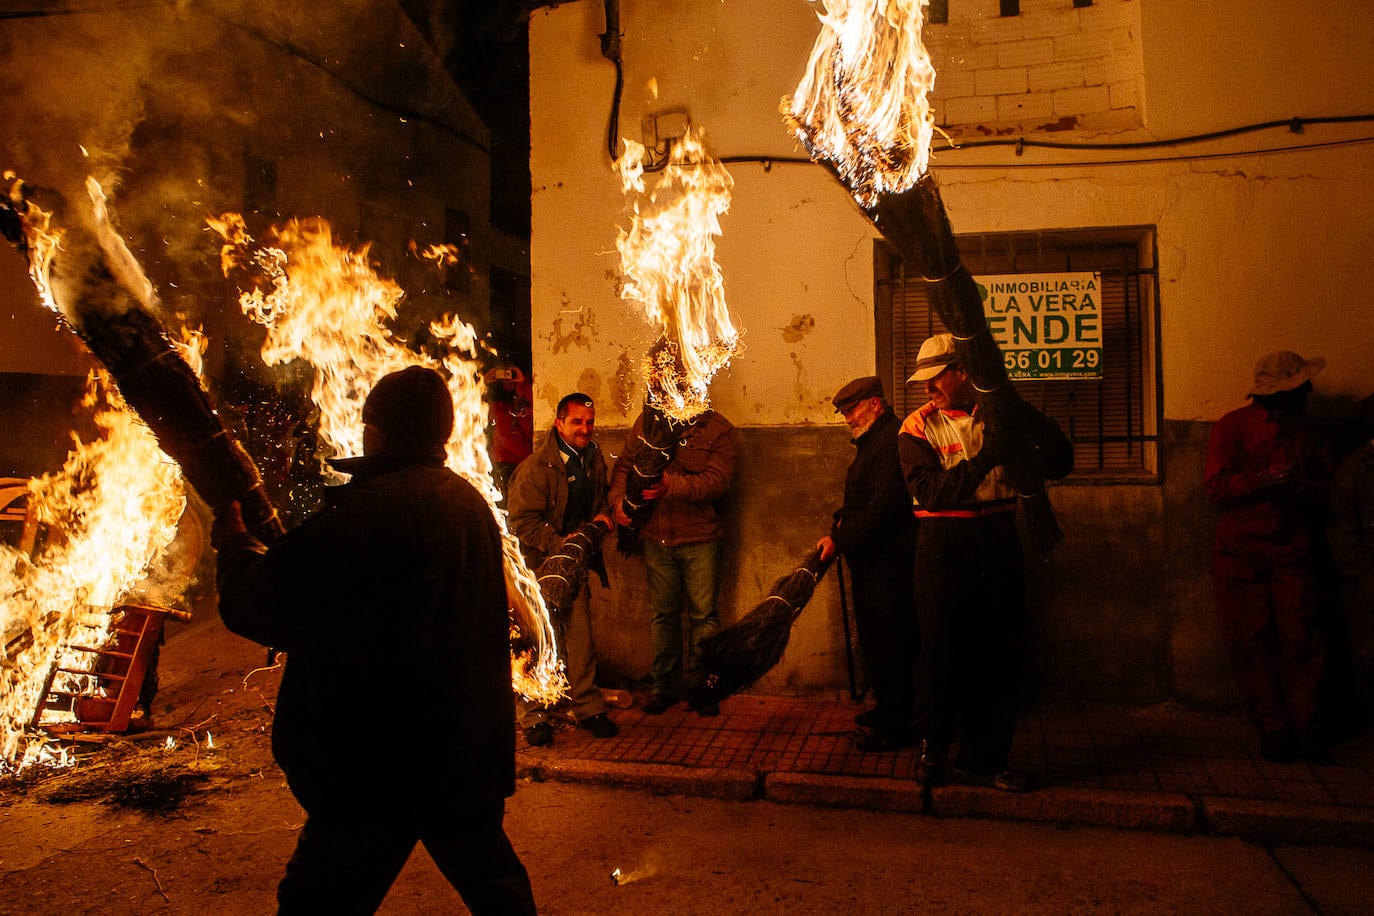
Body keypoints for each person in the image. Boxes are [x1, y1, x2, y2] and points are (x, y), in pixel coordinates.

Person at [212, 366, 537, 914]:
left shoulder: (366, 512)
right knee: (495, 888)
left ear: (378, 434)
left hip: (378, 761)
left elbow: (263, 605)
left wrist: (236, 547)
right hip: (459, 749)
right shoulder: (468, 504)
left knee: (317, 901)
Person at [898, 333, 1072, 793]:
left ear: (963, 372)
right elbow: (933, 494)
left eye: (936, 379)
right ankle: (932, 750)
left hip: (997, 541)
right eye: (925, 381)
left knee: (998, 653)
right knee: (939, 650)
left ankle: (986, 759)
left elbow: (1060, 462)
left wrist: (1027, 417)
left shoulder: (999, 417)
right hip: (942, 547)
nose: (927, 389)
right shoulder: (916, 428)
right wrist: (988, 456)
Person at [1205, 350, 1334, 764]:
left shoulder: (1309, 431)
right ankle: (1272, 725)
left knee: (1302, 638)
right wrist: (1261, 481)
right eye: (1299, 389)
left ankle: (1307, 727)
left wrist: (1303, 486)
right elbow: (1216, 488)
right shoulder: (1232, 427)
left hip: (1292, 547)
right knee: (1252, 640)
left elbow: (1325, 486)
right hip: (1241, 551)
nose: (1306, 395)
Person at [610, 407, 739, 716]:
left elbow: (719, 481)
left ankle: (703, 690)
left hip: (699, 539)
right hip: (657, 537)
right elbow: (625, 466)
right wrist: (618, 503)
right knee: (663, 615)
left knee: (703, 617)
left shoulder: (718, 429)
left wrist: (672, 486)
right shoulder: (647, 422)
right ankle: (663, 688)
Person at [506, 392, 618, 746]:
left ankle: (588, 707)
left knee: (580, 637)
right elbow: (521, 521)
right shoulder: (536, 468)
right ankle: (534, 713)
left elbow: (594, 499)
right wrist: (561, 544)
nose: (584, 429)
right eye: (576, 422)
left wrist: (600, 517)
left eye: (589, 422)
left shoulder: (592, 457)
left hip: (574, 563)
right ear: (559, 423)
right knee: (538, 641)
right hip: (538, 567)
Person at [816, 376, 919, 752]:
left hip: (889, 567)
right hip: (873, 564)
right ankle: (887, 709)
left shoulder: (891, 442)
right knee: (878, 643)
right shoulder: (873, 440)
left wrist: (840, 539)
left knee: (892, 644)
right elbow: (868, 500)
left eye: (851, 409)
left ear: (876, 404)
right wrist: (846, 516)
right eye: (844, 412)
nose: (847, 418)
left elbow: (885, 506)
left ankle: (896, 725)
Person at [1329, 393, 1374, 721]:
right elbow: (1343, 531)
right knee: (1367, 651)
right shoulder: (1355, 471)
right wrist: (1365, 576)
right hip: (1366, 576)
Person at [485, 365, 534, 501]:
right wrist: (487, 381)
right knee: (505, 502)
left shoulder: (524, 395)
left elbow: (529, 403)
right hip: (502, 461)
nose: (508, 382)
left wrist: (521, 382)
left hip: (524, 459)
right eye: (504, 380)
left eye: (511, 378)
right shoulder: (497, 403)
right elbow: (480, 404)